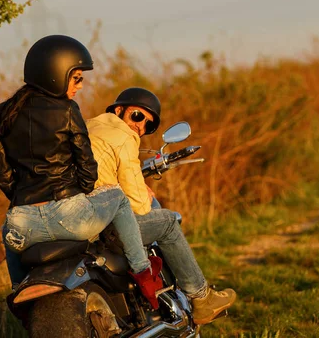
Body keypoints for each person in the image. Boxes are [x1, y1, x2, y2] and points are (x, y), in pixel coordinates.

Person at [0, 35, 160, 304]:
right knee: (117, 196)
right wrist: (79, 194)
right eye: (76, 77)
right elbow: (87, 167)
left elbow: (3, 175)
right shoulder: (67, 109)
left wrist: (26, 201)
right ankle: (143, 273)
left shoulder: (3, 112)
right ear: (56, 73)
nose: (80, 85)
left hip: (21, 224)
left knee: (8, 230)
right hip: (70, 217)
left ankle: (20, 291)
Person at [86, 87, 237, 325]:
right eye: (137, 116)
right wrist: (141, 190)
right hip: (106, 224)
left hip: (79, 217)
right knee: (166, 222)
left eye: (148, 125)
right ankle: (201, 298)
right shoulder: (123, 137)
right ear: (119, 110)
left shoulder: (88, 127)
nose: (140, 127)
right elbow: (138, 205)